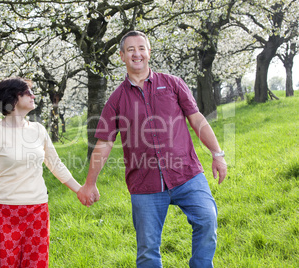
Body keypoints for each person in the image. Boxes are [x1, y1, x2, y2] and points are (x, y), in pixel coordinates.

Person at [77, 31, 227, 268]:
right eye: (130, 50)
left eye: (141, 48)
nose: (137, 54)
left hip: (187, 174)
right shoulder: (115, 100)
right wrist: (89, 183)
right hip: (145, 184)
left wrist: (217, 154)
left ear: (149, 52)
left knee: (207, 220)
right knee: (147, 250)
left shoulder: (173, 84)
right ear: (122, 56)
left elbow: (197, 120)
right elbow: (104, 144)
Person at [0, 77, 81, 268]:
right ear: (13, 97)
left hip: (37, 210)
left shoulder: (38, 130)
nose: (34, 96)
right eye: (28, 92)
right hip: (3, 211)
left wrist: (80, 190)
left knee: (36, 263)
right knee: (4, 264)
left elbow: (56, 165)